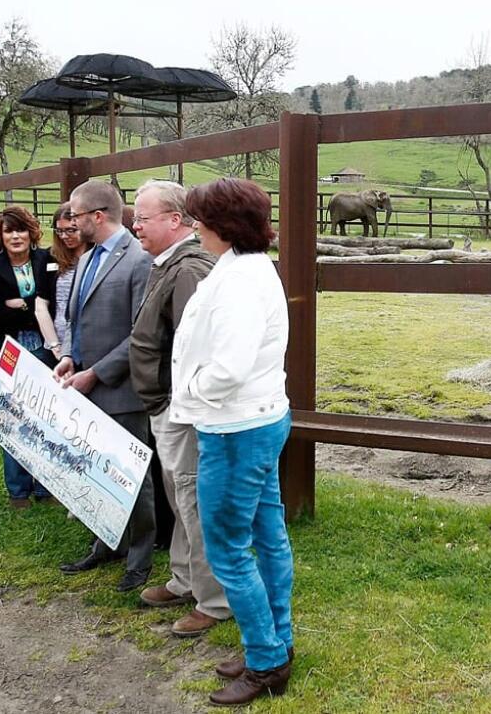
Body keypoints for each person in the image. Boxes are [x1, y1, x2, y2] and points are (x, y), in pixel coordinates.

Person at [171, 179, 294, 706]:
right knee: (267, 536)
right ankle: (274, 643)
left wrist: (193, 390)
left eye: (200, 219)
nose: (195, 227)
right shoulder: (245, 267)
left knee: (228, 547)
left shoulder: (241, 281)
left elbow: (230, 367)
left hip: (236, 428)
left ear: (225, 226)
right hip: (255, 420)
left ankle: (266, 661)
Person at [127, 180, 230, 636]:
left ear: (174, 220)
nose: (135, 225)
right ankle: (184, 579)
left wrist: (180, 402)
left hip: (179, 407)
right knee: (179, 494)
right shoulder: (169, 264)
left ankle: (214, 600)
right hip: (167, 404)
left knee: (191, 498)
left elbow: (197, 348)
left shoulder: (188, 269)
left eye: (143, 217)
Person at [55, 180, 156, 593]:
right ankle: (105, 543)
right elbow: (75, 320)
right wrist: (67, 356)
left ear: (98, 216)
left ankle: (141, 557)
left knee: (135, 476)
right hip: (85, 386)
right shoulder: (85, 259)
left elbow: (141, 334)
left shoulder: (138, 260)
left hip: (121, 387)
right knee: (97, 472)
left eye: (76, 217)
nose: (71, 225)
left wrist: (96, 372)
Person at [0, 206, 59, 509]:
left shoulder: (46, 260)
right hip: (7, 350)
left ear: (31, 232)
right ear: (0, 236)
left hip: (44, 347)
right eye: (9, 231)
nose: (15, 236)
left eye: (20, 229)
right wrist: (32, 306)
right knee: (12, 419)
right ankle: (18, 491)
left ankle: (45, 487)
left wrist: (19, 305)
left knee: (45, 418)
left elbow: (52, 305)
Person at [49, 203, 88, 349]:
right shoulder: (51, 257)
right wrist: (54, 344)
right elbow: (42, 302)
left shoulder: (97, 257)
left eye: (71, 230)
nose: (64, 236)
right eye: (59, 231)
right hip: (57, 339)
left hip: (85, 341)